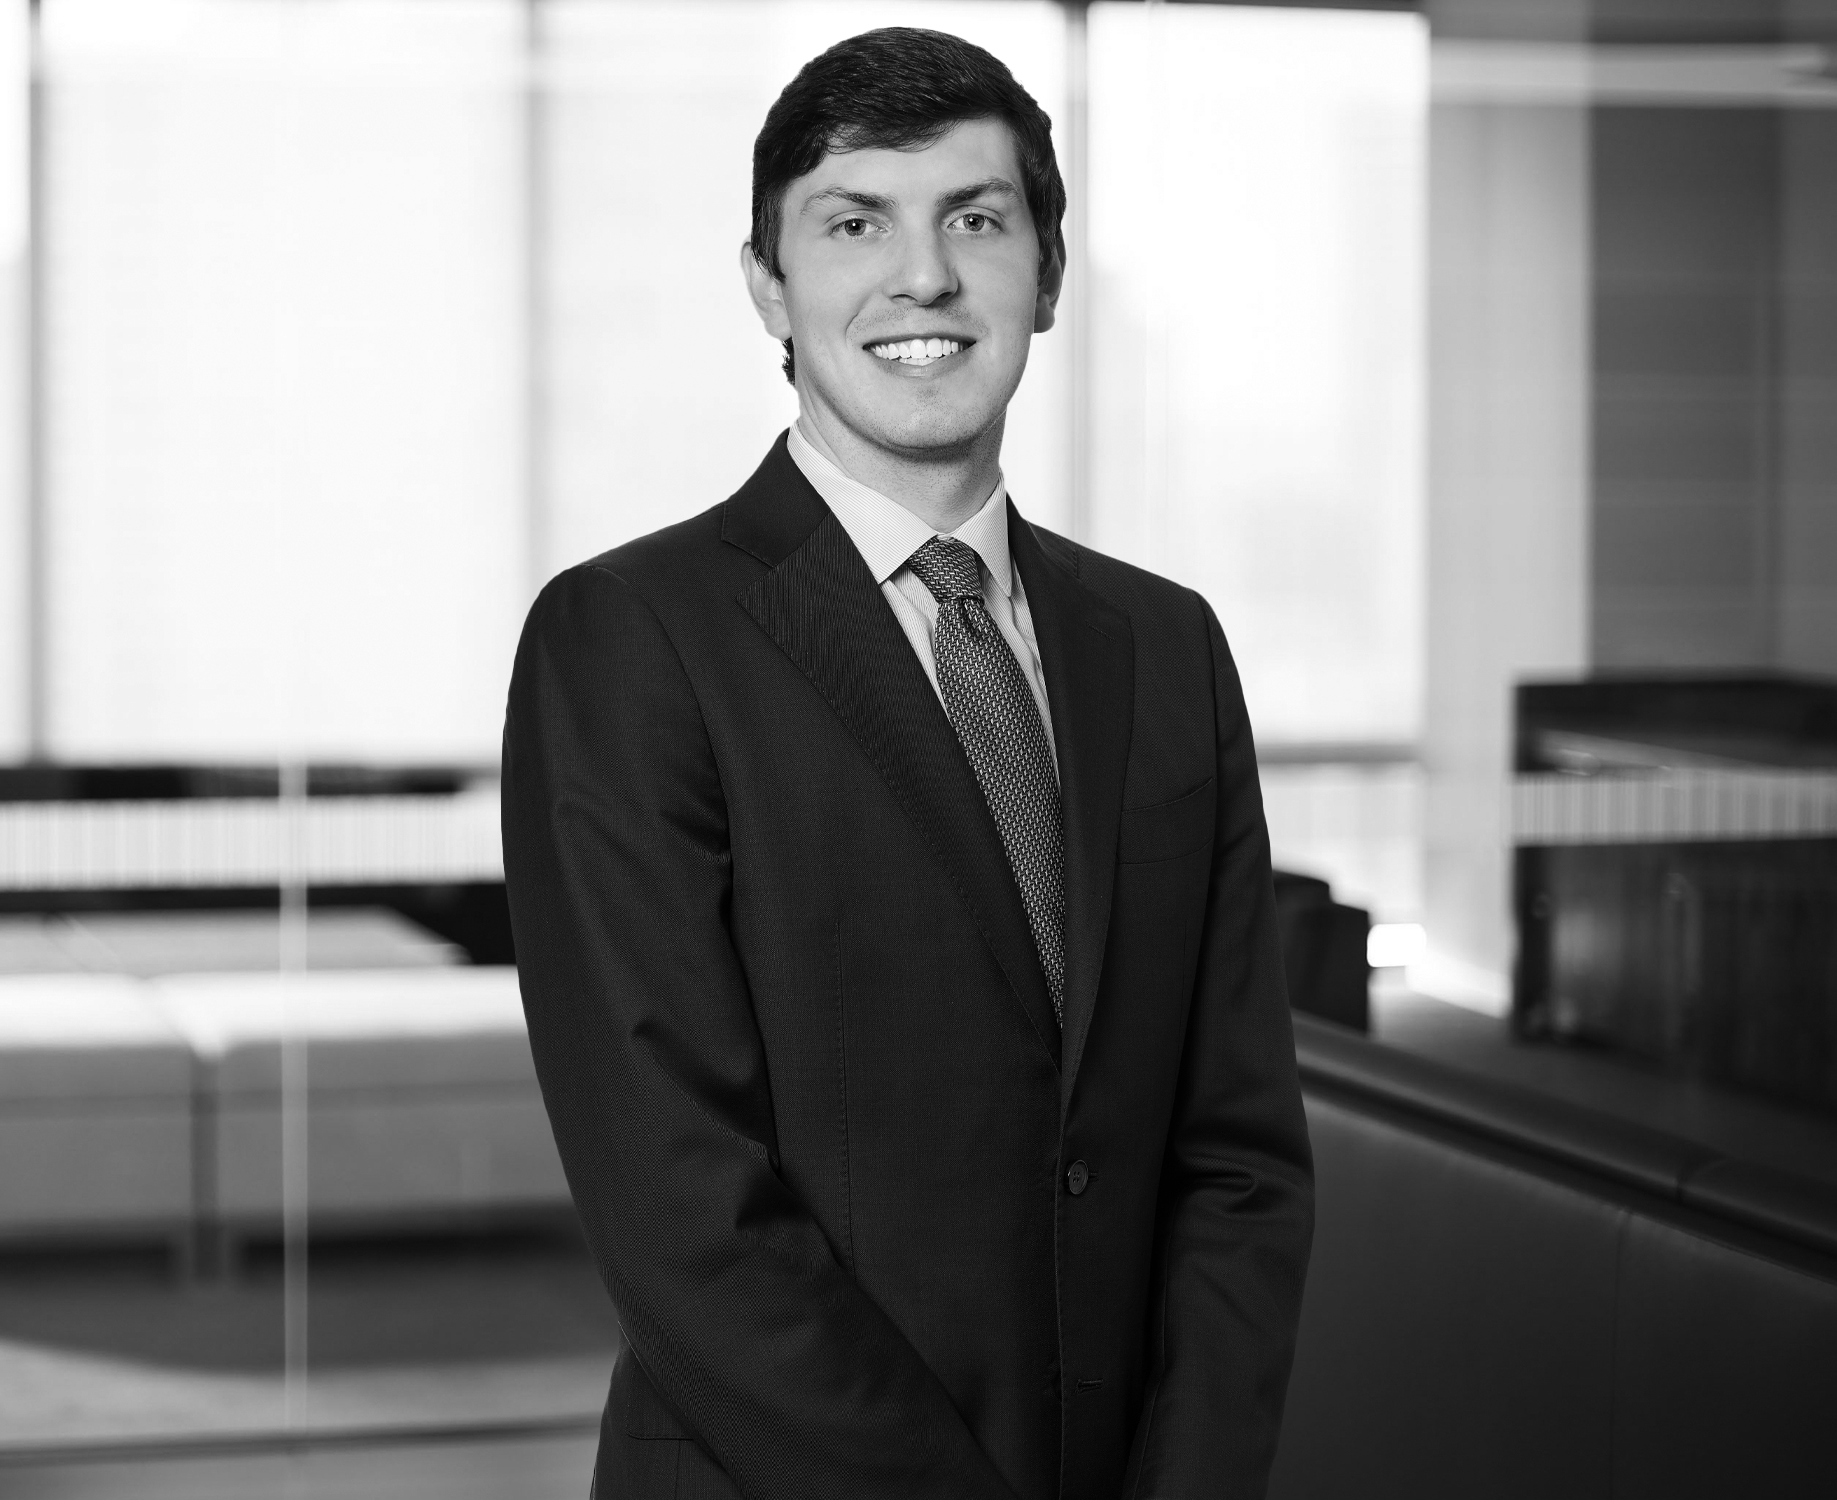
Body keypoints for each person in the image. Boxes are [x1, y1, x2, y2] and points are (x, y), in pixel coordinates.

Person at [501, 27, 1314, 1500]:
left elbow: (1238, 1156)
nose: (923, 278)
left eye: (977, 220)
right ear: (769, 285)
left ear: (1046, 276)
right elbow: (682, 1210)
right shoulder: (629, 639)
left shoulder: (1166, 647)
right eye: (855, 223)